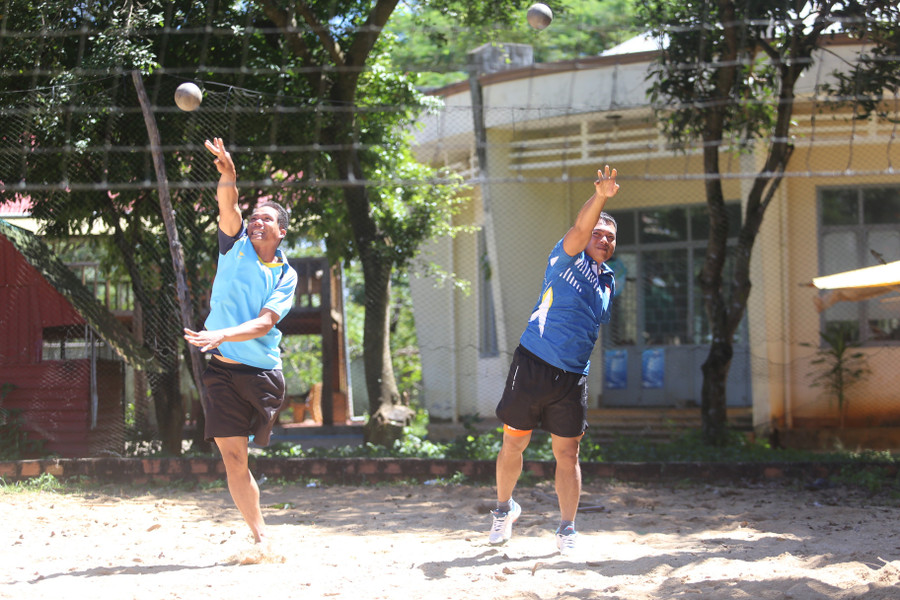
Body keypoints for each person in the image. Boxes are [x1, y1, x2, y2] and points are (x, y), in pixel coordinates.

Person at [488, 165, 620, 556]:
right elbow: (581, 228)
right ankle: (503, 509)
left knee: (568, 453)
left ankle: (566, 529)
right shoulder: (566, 254)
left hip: (573, 376)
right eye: (599, 232)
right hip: (532, 363)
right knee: (514, 443)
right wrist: (601, 199)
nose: (603, 239)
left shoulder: (608, 281)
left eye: (610, 237)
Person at [184, 137, 298, 552]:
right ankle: (261, 536)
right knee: (234, 458)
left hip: (262, 374)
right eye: (254, 216)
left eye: (266, 219)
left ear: (281, 232)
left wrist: (221, 334)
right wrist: (228, 173)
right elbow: (227, 207)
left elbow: (264, 323)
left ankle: (263, 529)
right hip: (221, 371)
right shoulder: (233, 246)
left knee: (254, 451)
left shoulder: (285, 275)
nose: (256, 221)